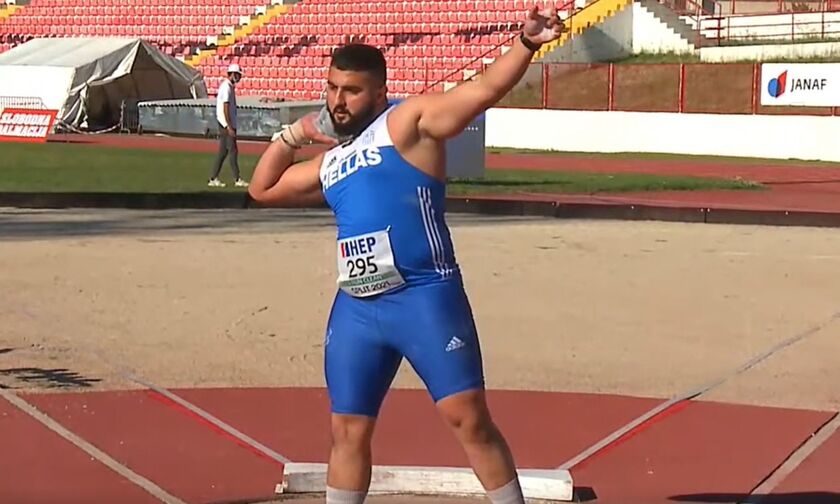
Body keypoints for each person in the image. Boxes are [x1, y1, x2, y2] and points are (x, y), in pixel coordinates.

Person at [249, 6, 564, 504]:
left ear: (378, 91)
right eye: (331, 88)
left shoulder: (408, 122)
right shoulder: (332, 162)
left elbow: (480, 91)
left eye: (351, 91)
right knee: (347, 430)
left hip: (424, 297)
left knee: (468, 419)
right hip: (357, 307)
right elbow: (263, 190)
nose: (338, 100)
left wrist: (526, 44)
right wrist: (294, 135)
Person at [209, 63, 249, 188]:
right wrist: (229, 126)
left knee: (223, 152)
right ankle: (237, 178)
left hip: (225, 124)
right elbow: (225, 107)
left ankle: (213, 177)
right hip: (226, 124)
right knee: (233, 151)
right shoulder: (226, 87)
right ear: (232, 74)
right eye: (237, 75)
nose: (239, 78)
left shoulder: (228, 87)